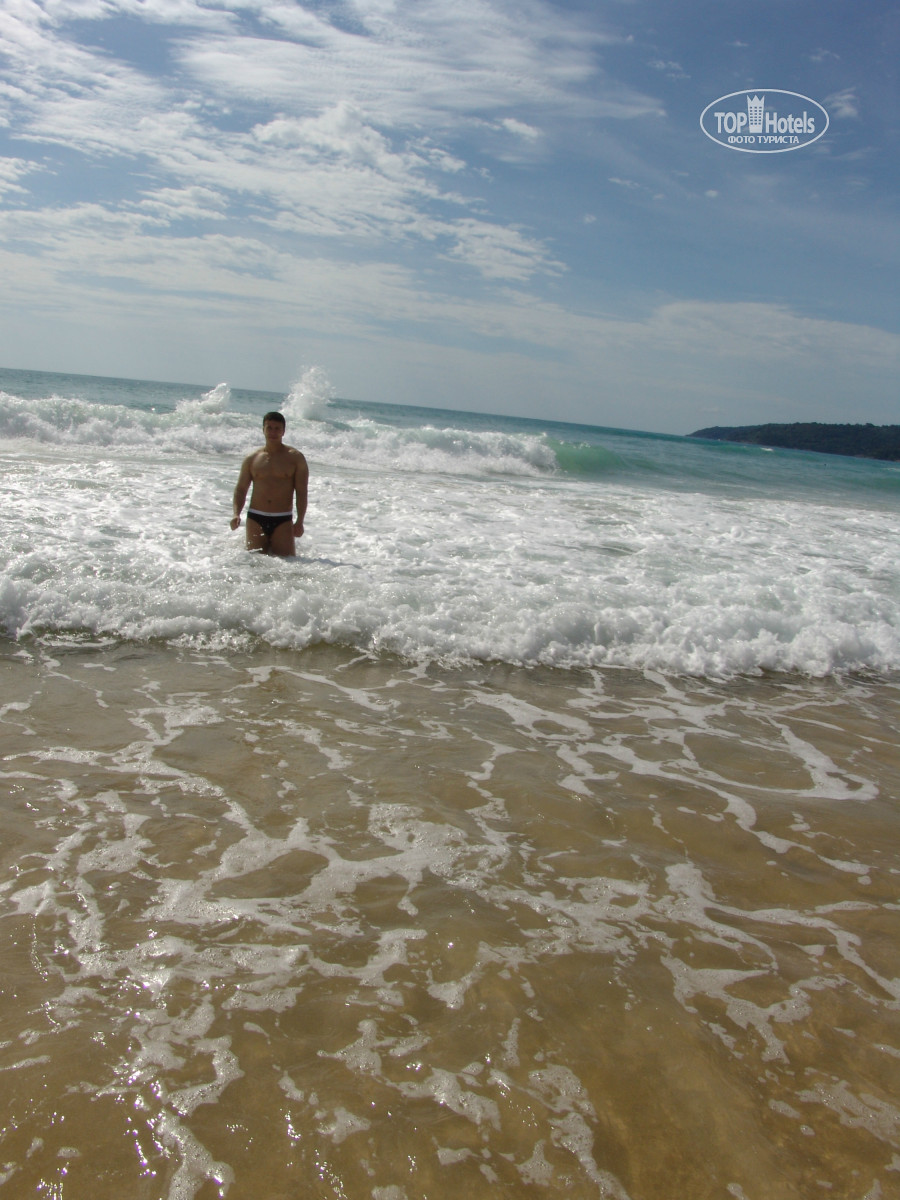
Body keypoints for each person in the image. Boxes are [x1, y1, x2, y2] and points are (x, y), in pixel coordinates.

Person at [231, 411, 309, 556]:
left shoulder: (295, 458)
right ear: (263, 429)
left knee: (287, 564)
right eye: (269, 428)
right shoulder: (252, 458)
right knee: (254, 564)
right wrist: (236, 513)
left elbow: (301, 491)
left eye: (277, 428)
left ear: (283, 431)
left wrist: (300, 521)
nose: (273, 432)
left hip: (283, 519)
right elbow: (241, 489)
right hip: (256, 517)